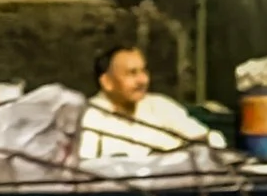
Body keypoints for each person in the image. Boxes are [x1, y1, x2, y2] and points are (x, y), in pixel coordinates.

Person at [75, 45, 224, 159]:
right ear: (107, 82)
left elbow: (213, 140)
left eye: (144, 71)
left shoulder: (160, 106)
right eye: (132, 73)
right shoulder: (87, 117)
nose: (143, 80)